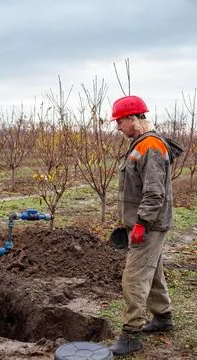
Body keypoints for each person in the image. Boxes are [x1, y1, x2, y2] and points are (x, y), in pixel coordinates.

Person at [109, 95, 175, 356]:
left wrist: (141, 224)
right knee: (153, 271)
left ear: (133, 119)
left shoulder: (150, 146)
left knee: (134, 278)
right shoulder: (141, 144)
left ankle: (131, 334)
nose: (118, 127)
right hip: (147, 223)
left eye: (120, 121)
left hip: (149, 224)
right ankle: (163, 317)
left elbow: (154, 192)